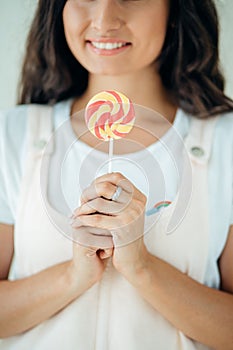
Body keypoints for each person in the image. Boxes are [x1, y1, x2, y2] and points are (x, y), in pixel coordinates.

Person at [0, 0, 233, 349]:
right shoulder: (13, 135)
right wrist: (73, 276)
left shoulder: (225, 140)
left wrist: (141, 265)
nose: (104, 19)